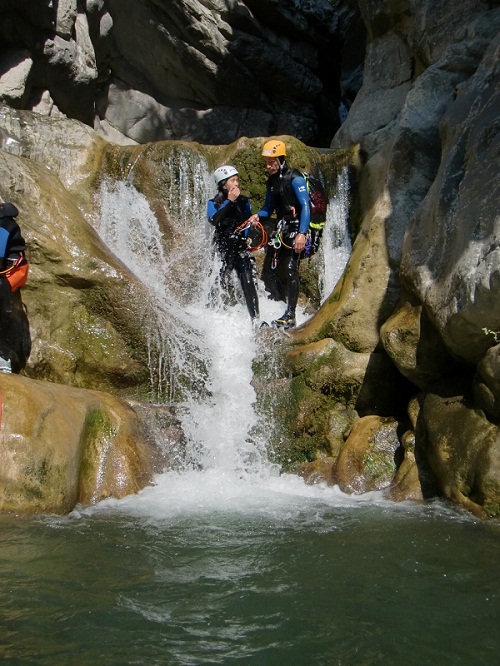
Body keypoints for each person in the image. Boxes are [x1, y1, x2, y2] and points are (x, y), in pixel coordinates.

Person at [248, 139, 310, 329]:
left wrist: (302, 233)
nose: (268, 165)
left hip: (297, 227)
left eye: (272, 161)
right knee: (269, 271)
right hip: (282, 229)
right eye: (266, 161)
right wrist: (258, 215)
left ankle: (291, 315)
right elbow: (269, 208)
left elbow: (306, 205)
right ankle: (279, 306)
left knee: (290, 267)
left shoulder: (295, 178)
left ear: (281, 159)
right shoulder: (271, 183)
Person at [207, 165, 260, 323]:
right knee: (218, 279)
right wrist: (229, 201)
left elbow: (247, 221)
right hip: (223, 248)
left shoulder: (244, 201)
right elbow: (214, 220)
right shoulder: (213, 202)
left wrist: (253, 223)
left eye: (237, 180)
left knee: (248, 280)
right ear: (224, 185)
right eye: (232, 181)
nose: (236, 184)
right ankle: (210, 313)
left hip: (239, 247)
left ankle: (255, 319)